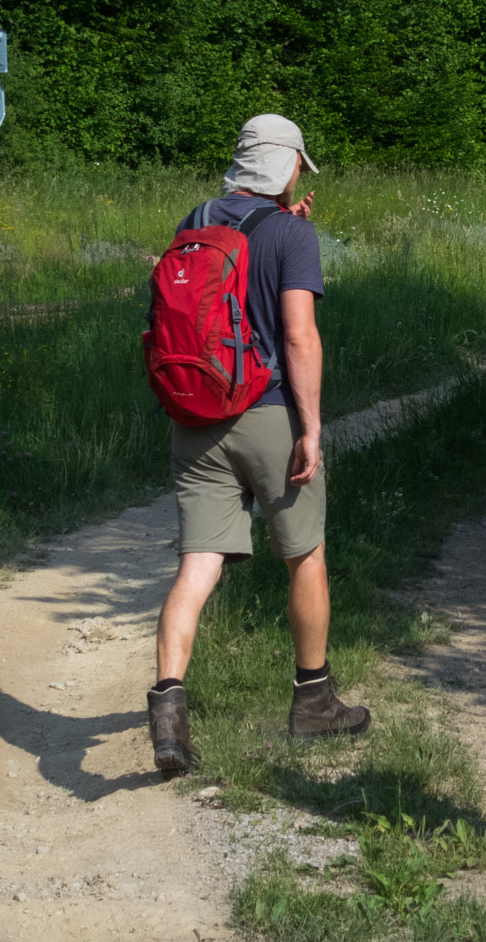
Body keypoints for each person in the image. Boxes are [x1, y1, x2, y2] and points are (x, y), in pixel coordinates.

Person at [146, 114, 371, 779]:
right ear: (290, 165)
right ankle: (314, 704)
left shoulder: (197, 220)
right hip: (266, 410)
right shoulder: (294, 235)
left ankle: (167, 718)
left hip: (194, 415)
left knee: (198, 562)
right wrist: (312, 426)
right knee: (305, 555)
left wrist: (284, 223)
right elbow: (299, 336)